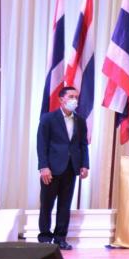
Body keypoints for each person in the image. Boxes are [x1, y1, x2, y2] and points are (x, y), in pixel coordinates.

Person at [36, 86, 89, 250]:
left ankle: (60, 238)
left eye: (76, 97)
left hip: (71, 168)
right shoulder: (48, 119)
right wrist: (43, 167)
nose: (75, 100)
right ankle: (45, 237)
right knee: (47, 204)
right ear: (61, 99)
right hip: (51, 169)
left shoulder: (80, 120)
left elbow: (83, 144)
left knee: (64, 206)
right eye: (71, 96)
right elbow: (41, 144)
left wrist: (84, 164)